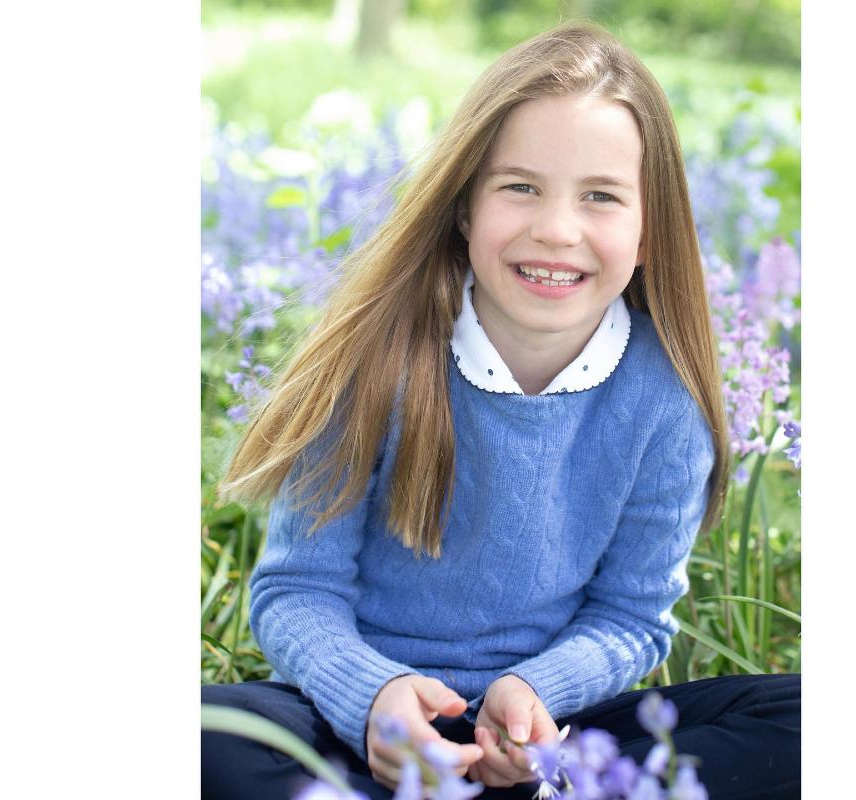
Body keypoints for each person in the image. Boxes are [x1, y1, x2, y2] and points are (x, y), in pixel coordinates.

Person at [202, 21, 801, 800]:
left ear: (648, 232)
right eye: (520, 187)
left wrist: (534, 694)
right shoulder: (377, 355)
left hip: (551, 740)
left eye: (601, 197)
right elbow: (297, 592)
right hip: (362, 733)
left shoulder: (665, 398)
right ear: (463, 208)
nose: (556, 230)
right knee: (204, 736)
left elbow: (632, 616)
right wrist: (375, 700)